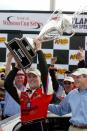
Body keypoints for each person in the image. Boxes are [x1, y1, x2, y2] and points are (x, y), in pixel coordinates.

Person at [4, 38, 53, 131]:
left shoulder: (46, 91)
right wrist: (16, 68)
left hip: (38, 126)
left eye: (34, 76)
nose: (32, 79)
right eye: (29, 76)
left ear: (41, 79)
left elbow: (44, 72)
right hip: (23, 126)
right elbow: (7, 84)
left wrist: (39, 50)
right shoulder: (23, 95)